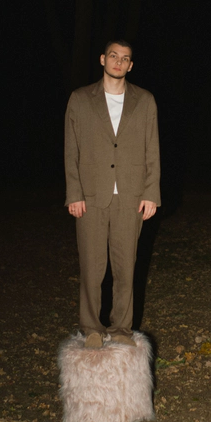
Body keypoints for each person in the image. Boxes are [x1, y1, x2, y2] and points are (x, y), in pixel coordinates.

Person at [64, 40, 160, 348]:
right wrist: (74, 193)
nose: (119, 62)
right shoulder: (80, 99)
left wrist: (151, 192)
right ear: (103, 59)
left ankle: (121, 329)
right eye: (114, 56)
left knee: (125, 267)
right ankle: (91, 328)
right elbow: (71, 150)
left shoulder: (144, 100)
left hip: (131, 196)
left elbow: (152, 149)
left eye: (125, 58)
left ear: (131, 65)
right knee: (92, 268)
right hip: (91, 195)